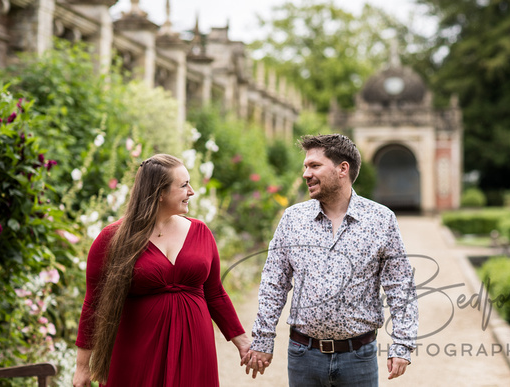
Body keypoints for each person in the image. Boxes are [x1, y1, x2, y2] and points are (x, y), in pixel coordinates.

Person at [243, 134, 418, 386]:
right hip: (303, 355)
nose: (305, 173)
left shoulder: (381, 220)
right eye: (305, 166)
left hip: (359, 356)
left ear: (342, 169)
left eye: (314, 166)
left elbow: (400, 286)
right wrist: (263, 339)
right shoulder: (293, 219)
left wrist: (402, 344)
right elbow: (274, 283)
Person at [72, 154, 250, 387]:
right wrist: (82, 367)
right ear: (159, 193)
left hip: (195, 346)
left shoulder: (201, 232)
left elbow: (215, 293)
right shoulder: (113, 238)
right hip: (137, 348)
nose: (192, 191)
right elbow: (93, 304)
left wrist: (243, 341)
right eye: (184, 185)